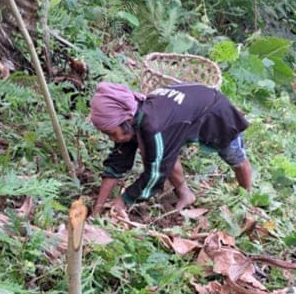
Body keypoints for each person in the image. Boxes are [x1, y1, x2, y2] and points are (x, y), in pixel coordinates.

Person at [89, 82, 253, 214]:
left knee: (235, 158)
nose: (112, 139)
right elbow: (117, 164)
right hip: (183, 112)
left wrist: (124, 200)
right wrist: (98, 207)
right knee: (166, 154)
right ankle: (185, 194)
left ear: (126, 120)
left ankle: (246, 197)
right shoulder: (132, 119)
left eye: (111, 133)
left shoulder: (154, 127)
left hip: (214, 111)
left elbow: (156, 174)